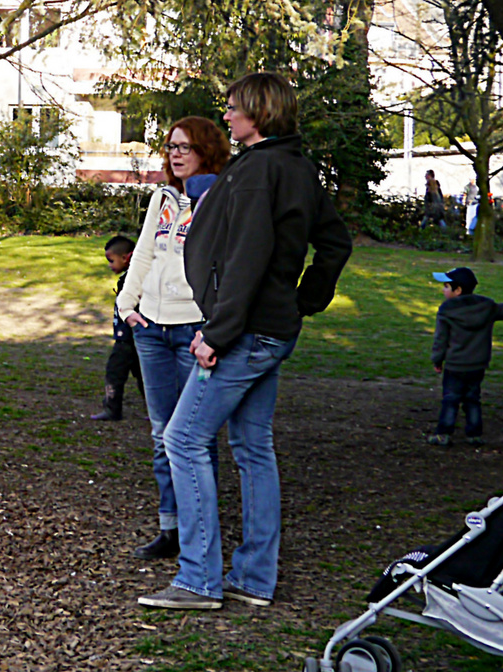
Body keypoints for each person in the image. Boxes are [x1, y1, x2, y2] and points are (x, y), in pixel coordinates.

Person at [139, 73, 353, 611]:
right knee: (253, 447)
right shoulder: (295, 167)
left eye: (234, 109)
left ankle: (199, 580)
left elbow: (247, 260)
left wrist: (217, 332)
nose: (228, 117)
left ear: (259, 113)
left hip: (246, 331)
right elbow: (335, 242)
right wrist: (303, 298)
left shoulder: (261, 171)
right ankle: (254, 578)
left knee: (183, 440)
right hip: (269, 326)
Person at [115, 115, 232, 561]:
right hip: (150, 328)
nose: (176, 154)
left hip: (192, 328)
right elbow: (144, 251)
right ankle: (171, 527)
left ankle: (200, 530)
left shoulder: (220, 198)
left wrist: (212, 324)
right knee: (161, 433)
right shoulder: (162, 197)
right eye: (171, 147)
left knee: (194, 436)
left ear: (207, 150)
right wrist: (127, 305)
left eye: (185, 146)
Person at [427, 267, 503, 447]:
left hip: (455, 365)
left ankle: (443, 434)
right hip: (478, 364)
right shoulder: (486, 306)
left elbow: (441, 339)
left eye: (446, 286)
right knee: (472, 398)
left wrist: (437, 360)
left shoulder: (447, 310)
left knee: (450, 399)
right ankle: (474, 434)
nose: (443, 290)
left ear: (458, 290)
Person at [93, 234, 142, 422]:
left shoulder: (132, 281)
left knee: (115, 372)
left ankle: (112, 409)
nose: (109, 265)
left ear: (126, 257)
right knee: (143, 375)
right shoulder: (129, 279)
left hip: (127, 338)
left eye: (111, 260)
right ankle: (157, 412)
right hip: (133, 337)